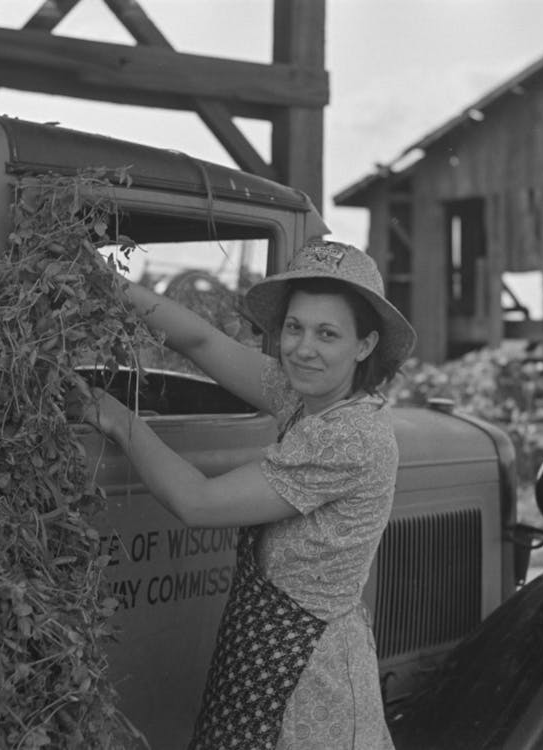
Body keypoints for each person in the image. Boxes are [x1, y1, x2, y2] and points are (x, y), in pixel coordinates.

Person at [70, 239, 417, 750]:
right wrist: (106, 285)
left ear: (363, 346)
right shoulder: (305, 395)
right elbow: (203, 344)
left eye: (327, 334)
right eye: (294, 328)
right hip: (262, 652)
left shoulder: (348, 437)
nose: (303, 348)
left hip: (304, 673)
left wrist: (120, 420)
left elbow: (199, 503)